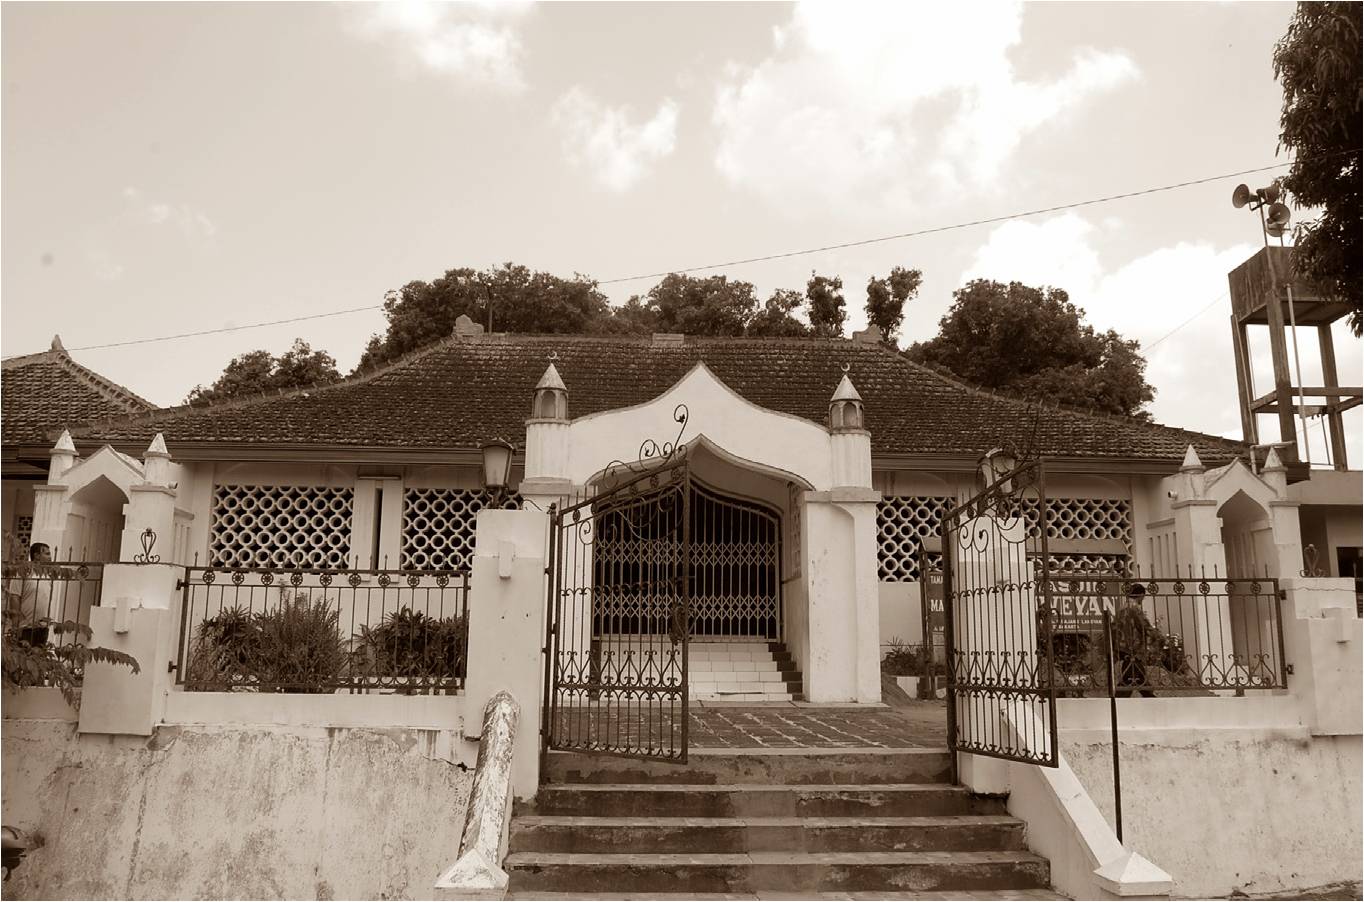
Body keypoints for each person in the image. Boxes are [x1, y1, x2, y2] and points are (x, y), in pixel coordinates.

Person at [4, 543, 56, 647]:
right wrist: (17, 624)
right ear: (37, 556)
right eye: (47, 554)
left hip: (42, 627)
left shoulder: (47, 575)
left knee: (38, 659)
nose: (50, 557)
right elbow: (14, 597)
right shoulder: (24, 572)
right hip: (25, 627)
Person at [1113, 583, 1158, 698]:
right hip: (1133, 647)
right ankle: (1118, 700)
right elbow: (1144, 626)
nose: (1143, 599)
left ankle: (1149, 696)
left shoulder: (1121, 608)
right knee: (1131, 676)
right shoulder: (1134, 608)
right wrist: (1157, 637)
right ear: (1141, 595)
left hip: (1122, 645)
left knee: (1137, 675)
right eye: (1143, 596)